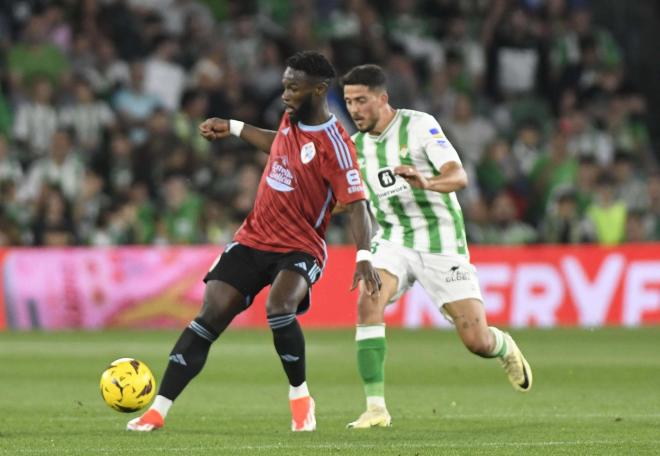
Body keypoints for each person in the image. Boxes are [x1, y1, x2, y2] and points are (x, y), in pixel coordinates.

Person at [127, 51, 381, 433]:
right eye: (284, 86)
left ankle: (300, 396)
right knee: (210, 314)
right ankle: (157, 410)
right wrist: (231, 126)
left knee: (279, 307)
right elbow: (278, 143)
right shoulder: (291, 118)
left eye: (293, 87)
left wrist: (363, 255)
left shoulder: (337, 146)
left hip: (300, 246)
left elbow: (359, 205)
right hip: (253, 238)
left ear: (319, 89)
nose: (284, 94)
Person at [340, 64, 532, 429]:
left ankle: (504, 346)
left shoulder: (419, 126)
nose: (354, 109)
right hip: (394, 237)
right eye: (349, 102)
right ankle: (376, 408)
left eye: (361, 100)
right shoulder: (356, 148)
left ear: (383, 99)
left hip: (440, 240)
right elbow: (350, 200)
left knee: (476, 341)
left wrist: (426, 182)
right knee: (368, 298)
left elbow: (458, 176)